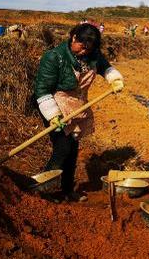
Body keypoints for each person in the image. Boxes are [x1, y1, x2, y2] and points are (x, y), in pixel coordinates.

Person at [34, 23, 124, 202]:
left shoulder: (93, 56)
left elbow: (106, 67)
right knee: (62, 148)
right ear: (73, 37)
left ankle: (67, 190)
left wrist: (114, 79)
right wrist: (53, 115)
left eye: (88, 48)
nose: (84, 51)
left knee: (73, 149)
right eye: (82, 46)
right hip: (55, 105)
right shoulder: (54, 57)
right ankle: (42, 192)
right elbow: (42, 89)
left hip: (77, 106)